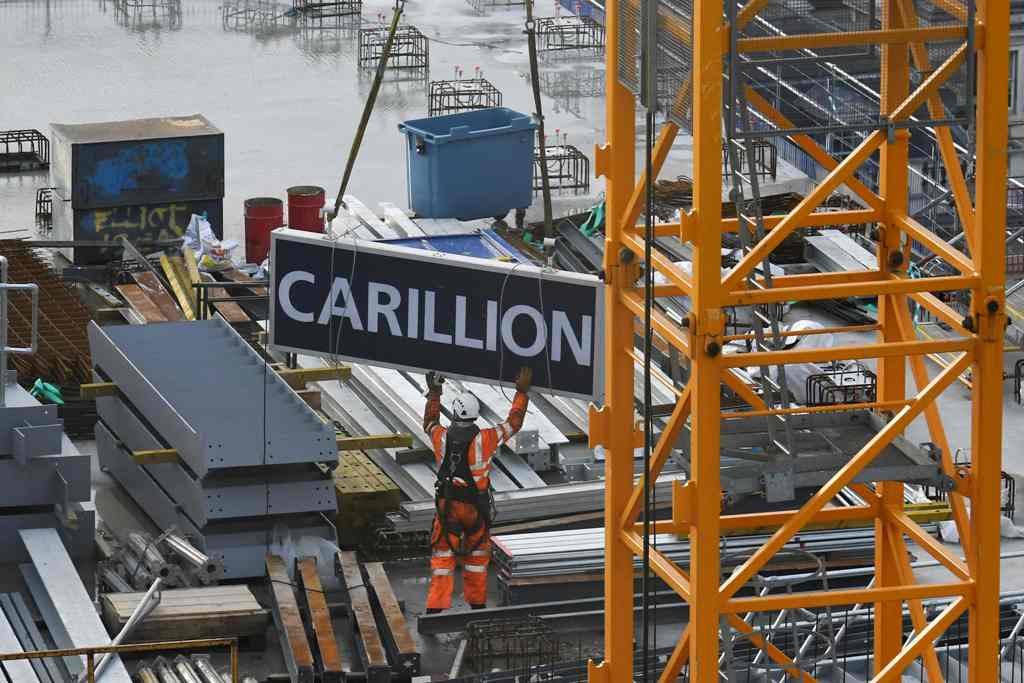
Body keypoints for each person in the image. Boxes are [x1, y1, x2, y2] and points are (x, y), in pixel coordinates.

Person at [422, 367, 533, 613]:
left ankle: (435, 609)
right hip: (475, 509)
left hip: (447, 507)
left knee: (442, 557)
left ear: (454, 413)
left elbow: (429, 422)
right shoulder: (487, 438)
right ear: (475, 415)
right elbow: (514, 423)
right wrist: (521, 392)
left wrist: (434, 392)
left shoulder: (441, 436)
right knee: (476, 557)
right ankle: (477, 604)